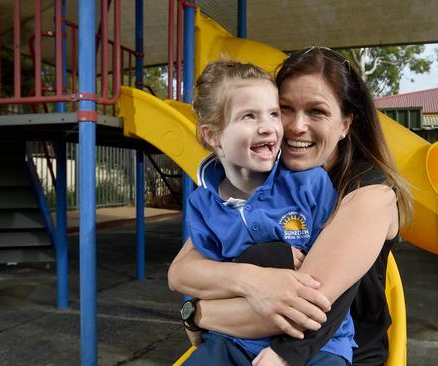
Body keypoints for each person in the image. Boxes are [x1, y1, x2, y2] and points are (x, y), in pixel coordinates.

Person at [168, 47, 412, 366]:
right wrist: (252, 279)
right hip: (242, 347)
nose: (295, 126)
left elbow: (297, 310)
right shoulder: (256, 179)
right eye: (283, 109)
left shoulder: (369, 193)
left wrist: (199, 313)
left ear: (345, 124)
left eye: (317, 112)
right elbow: (181, 272)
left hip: (330, 352)